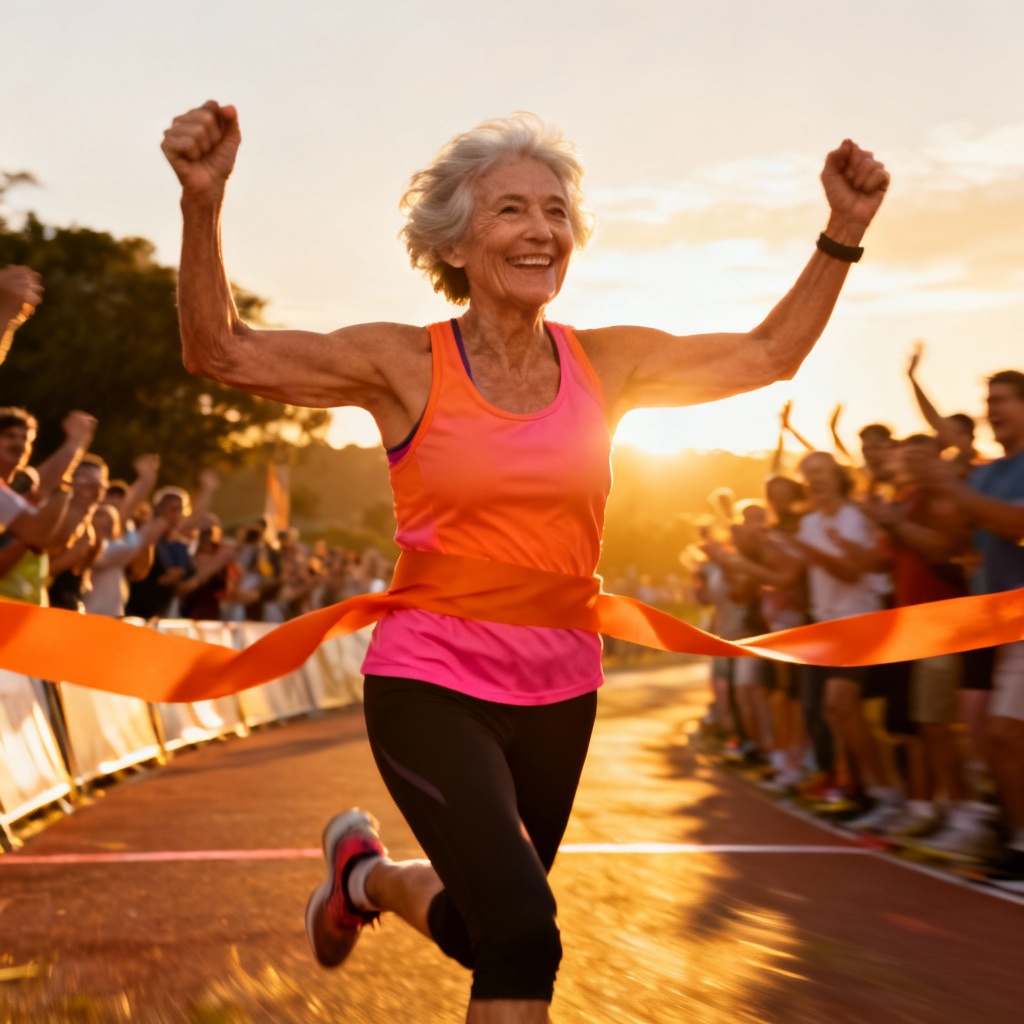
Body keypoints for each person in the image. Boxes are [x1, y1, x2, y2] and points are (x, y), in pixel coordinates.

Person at [161, 99, 889, 1023]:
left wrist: (843, 232)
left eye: (554, 210)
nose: (541, 228)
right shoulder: (405, 364)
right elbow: (219, 349)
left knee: (481, 925)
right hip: (430, 680)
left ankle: (365, 879)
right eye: (510, 209)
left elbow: (768, 355)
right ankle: (373, 877)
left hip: (559, 688)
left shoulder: (608, 365)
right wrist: (202, 205)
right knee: (523, 936)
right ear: (457, 245)